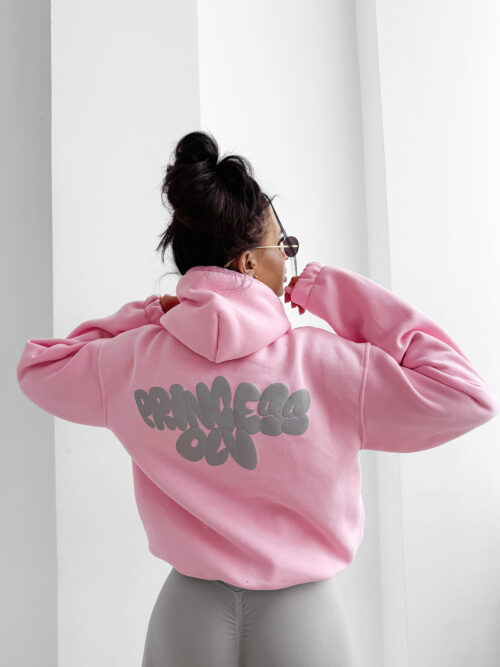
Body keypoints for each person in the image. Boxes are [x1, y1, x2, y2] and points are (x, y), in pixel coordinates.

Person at [16, 130, 500, 667]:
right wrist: (338, 293)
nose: (288, 263)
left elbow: (40, 368)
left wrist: (150, 314)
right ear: (249, 263)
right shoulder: (330, 365)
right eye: (283, 248)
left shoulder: (131, 360)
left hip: (187, 614)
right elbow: (465, 395)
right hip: (302, 618)